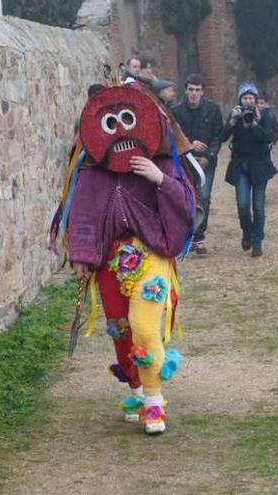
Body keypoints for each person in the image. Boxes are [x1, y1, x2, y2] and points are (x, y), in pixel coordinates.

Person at [50, 82, 195, 435]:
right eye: (110, 123)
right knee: (121, 330)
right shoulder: (91, 171)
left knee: (145, 326)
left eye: (128, 119)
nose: (119, 131)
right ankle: (135, 387)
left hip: (152, 258)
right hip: (110, 263)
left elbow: (188, 205)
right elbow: (81, 214)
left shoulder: (162, 161)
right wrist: (81, 255)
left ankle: (153, 402)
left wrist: (160, 179)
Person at [221, 82, 278, 257]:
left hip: (260, 165)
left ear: (255, 99)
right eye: (245, 98)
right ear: (240, 99)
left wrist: (255, 123)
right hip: (241, 165)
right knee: (243, 204)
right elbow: (223, 136)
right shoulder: (235, 114)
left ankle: (257, 241)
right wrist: (232, 121)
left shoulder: (264, 115)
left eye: (251, 98)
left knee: (259, 206)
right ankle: (247, 231)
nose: (248, 101)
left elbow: (269, 137)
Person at [171, 73, 224, 256]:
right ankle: (186, 234)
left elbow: (219, 135)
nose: (194, 93)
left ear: (203, 92)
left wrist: (208, 156)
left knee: (204, 195)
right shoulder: (176, 111)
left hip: (206, 161)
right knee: (185, 196)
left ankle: (199, 236)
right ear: (186, 90)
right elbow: (173, 136)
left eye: (197, 90)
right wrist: (189, 145)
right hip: (185, 160)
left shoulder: (213, 110)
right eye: (191, 89)